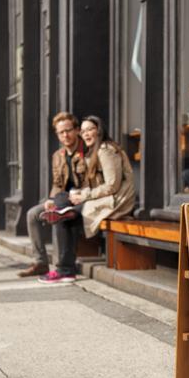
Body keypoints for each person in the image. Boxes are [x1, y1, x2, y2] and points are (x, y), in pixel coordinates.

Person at [38, 115, 135, 284]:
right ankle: (62, 212)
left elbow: (112, 186)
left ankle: (64, 270)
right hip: (101, 198)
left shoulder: (106, 150)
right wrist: (76, 195)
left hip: (117, 201)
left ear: (99, 130)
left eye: (90, 129)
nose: (86, 134)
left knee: (65, 219)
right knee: (63, 200)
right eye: (83, 131)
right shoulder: (95, 152)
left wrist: (84, 195)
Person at [17, 112, 87, 278]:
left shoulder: (88, 152)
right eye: (61, 132)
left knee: (61, 213)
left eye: (68, 130)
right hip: (63, 198)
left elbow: (93, 181)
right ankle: (41, 262)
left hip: (82, 199)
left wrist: (80, 195)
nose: (65, 135)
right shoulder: (58, 156)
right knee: (33, 214)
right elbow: (57, 184)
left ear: (77, 130)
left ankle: (64, 265)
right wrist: (50, 199)